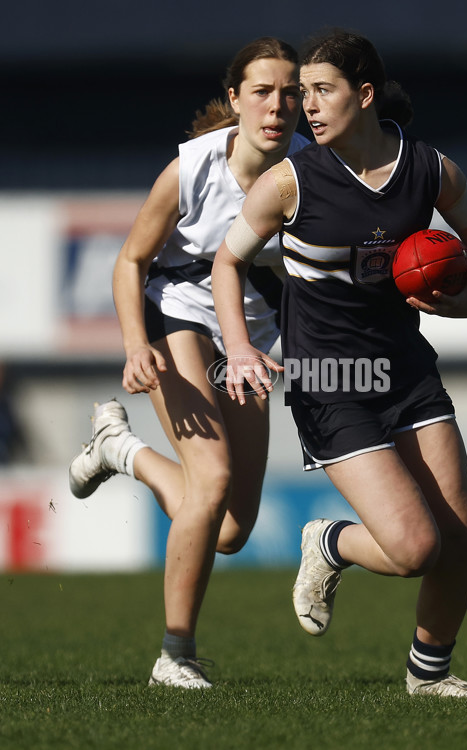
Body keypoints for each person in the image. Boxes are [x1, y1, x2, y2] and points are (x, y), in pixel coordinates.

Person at [211, 30, 467, 698]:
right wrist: (238, 347)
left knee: (460, 538)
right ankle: (331, 543)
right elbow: (226, 262)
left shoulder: (429, 170)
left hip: (407, 369)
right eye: (300, 93)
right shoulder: (288, 182)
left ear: (365, 94)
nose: (304, 107)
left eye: (320, 91)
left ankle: (429, 675)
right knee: (412, 549)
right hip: (329, 383)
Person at [68, 37, 309, 689]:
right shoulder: (193, 169)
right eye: (262, 90)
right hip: (175, 318)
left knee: (230, 528)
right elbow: (129, 260)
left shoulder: (315, 175)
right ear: (235, 99)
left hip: (249, 346)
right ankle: (174, 656)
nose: (278, 104)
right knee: (212, 478)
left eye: (292, 91)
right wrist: (133, 344)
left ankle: (121, 450)